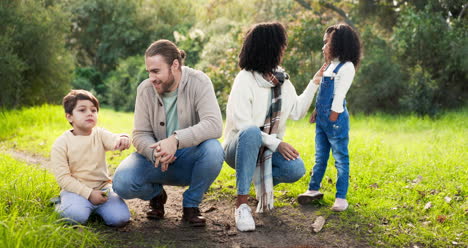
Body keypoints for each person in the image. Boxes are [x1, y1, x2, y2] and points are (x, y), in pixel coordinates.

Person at [223, 22, 324, 232]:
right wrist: (277, 144)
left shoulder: (281, 80)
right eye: (281, 44)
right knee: (251, 132)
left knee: (295, 169)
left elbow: (296, 111)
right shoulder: (245, 80)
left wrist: (314, 83)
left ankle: (259, 186)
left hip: (267, 148)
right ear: (269, 47)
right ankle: (241, 205)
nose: (284, 49)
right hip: (238, 148)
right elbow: (243, 127)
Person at [112, 39, 224, 227]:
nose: (151, 77)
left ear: (175, 65)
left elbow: (214, 125)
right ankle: (156, 195)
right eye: (149, 71)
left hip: (190, 157)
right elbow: (140, 134)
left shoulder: (200, 81)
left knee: (214, 149)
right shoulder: (145, 89)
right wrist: (155, 151)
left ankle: (191, 205)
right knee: (122, 183)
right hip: (156, 158)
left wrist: (176, 140)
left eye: (156, 71)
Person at [297, 23, 361, 212]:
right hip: (323, 121)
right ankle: (313, 189)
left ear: (340, 44)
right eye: (324, 43)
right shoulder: (329, 66)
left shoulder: (346, 67)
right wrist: (317, 112)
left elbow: (339, 95)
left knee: (340, 158)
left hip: (336, 120)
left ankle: (341, 197)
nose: (323, 47)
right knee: (320, 157)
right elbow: (322, 94)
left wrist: (332, 118)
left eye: (327, 43)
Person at [51, 90, 131, 227]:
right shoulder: (61, 143)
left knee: (120, 219)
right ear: (69, 117)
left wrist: (123, 138)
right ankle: (60, 203)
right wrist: (89, 194)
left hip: (103, 190)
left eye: (93, 110)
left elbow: (113, 139)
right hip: (76, 191)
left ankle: (95, 209)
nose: (89, 113)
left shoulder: (99, 134)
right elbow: (63, 178)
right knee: (75, 217)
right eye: (82, 110)